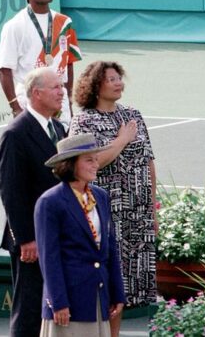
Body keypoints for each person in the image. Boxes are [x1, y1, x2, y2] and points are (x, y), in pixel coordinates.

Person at [68, 61, 157, 336]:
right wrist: (120, 141)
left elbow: (149, 162)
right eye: (111, 79)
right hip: (106, 213)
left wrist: (153, 210)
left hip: (138, 213)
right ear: (96, 86)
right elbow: (88, 163)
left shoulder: (133, 115)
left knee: (127, 289)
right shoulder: (84, 121)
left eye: (119, 78)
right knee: (106, 283)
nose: (118, 83)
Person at [0, 67, 66, 337]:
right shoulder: (15, 133)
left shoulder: (58, 128)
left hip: (57, 232)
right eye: (55, 87)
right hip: (32, 239)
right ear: (36, 94)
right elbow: (11, 190)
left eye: (62, 87)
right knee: (29, 306)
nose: (62, 92)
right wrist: (26, 238)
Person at [35, 133, 126, 337]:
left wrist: (117, 293)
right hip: (69, 303)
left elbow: (110, 248)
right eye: (89, 160)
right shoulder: (50, 202)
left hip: (97, 298)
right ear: (70, 165)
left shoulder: (100, 197)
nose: (95, 164)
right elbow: (49, 258)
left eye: (95, 159)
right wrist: (58, 302)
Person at [0, 0, 81, 129]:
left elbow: (68, 64)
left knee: (64, 150)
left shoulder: (65, 23)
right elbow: (4, 70)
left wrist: (69, 100)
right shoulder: (14, 26)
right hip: (31, 100)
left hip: (59, 99)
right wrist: (15, 108)